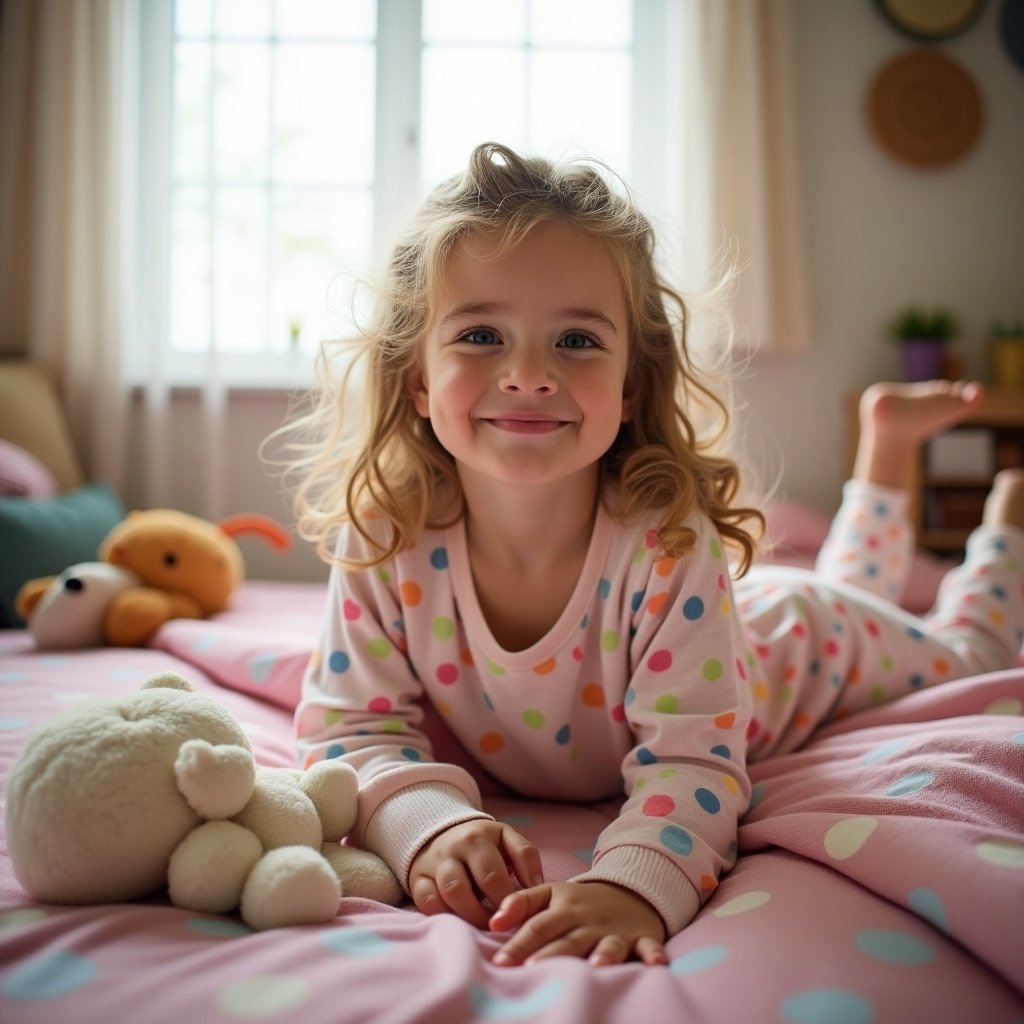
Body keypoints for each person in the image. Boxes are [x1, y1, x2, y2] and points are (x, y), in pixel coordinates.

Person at [287, 142, 1024, 969]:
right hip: (746, 622)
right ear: (417, 380)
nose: (528, 374)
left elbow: (688, 757)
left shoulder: (666, 540)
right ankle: (885, 450)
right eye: (482, 334)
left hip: (802, 651)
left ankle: (1008, 531)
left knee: (970, 652)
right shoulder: (388, 534)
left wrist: (632, 882)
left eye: (576, 341)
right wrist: (426, 822)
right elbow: (353, 725)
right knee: (860, 585)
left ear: (632, 385)